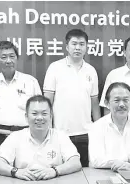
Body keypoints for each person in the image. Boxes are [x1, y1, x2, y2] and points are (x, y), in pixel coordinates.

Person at [0, 41, 42, 164]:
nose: (8, 60)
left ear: (17, 58)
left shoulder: (31, 82)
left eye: (12, 56)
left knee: (27, 171)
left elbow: (40, 113)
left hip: (25, 137)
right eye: (3, 57)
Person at [43, 29, 101, 167]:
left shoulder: (91, 71)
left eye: (82, 44)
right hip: (60, 133)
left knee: (85, 173)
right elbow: (47, 102)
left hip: (85, 133)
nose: (78, 47)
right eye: (74, 43)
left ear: (87, 47)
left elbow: (95, 105)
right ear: (67, 46)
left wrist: (99, 131)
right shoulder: (55, 68)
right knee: (61, 173)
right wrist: (48, 131)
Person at [0, 95, 82, 181]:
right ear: (26, 117)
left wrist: (55, 170)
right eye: (34, 113)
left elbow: (75, 162)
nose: (39, 118)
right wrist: (16, 172)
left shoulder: (60, 136)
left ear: (50, 116)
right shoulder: (15, 137)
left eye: (44, 113)